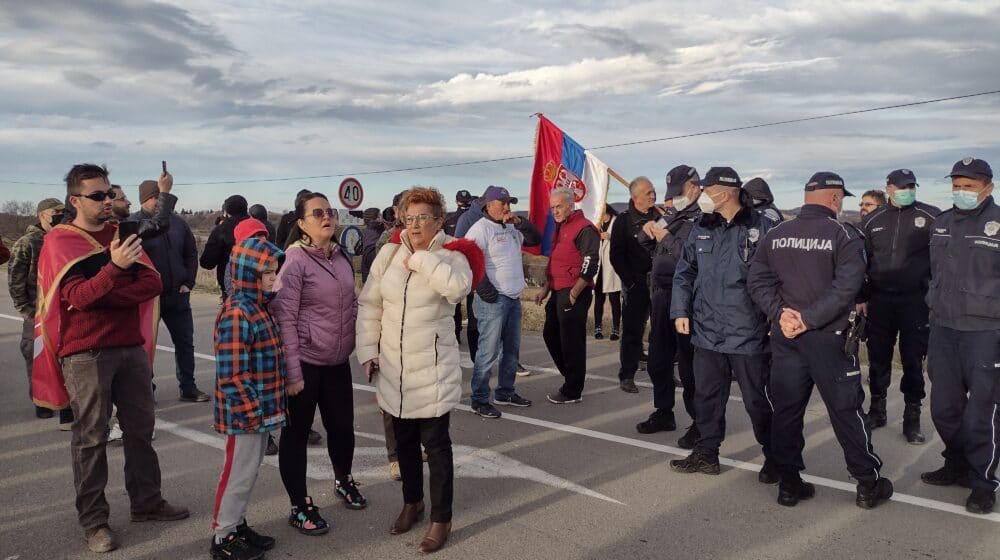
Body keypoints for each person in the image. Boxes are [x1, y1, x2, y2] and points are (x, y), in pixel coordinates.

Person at [34, 164, 188, 554]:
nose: (107, 202)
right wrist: (117, 268)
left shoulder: (121, 233)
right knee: (91, 439)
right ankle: (94, 522)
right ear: (75, 200)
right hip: (85, 354)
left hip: (129, 347)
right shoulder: (61, 242)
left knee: (140, 430)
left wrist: (108, 287)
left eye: (109, 193)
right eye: (97, 196)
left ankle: (147, 502)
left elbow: (153, 282)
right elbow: (78, 298)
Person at [748, 171, 892, 509]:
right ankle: (867, 484)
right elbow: (848, 289)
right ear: (835, 199)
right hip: (829, 338)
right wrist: (808, 320)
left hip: (786, 336)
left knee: (786, 411)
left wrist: (781, 313)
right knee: (846, 411)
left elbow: (757, 281)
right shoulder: (845, 234)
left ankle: (788, 483)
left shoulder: (777, 233)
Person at [357, 186, 484, 554]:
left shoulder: (452, 255)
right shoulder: (387, 255)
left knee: (437, 447)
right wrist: (367, 352)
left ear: (439, 220)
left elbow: (457, 289)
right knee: (404, 445)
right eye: (408, 218)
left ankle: (441, 518)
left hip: (431, 370)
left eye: (422, 218)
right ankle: (412, 502)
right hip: (394, 369)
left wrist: (421, 258)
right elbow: (370, 306)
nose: (413, 225)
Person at [668, 167, 778, 482]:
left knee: (758, 400)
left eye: (706, 189)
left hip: (748, 332)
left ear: (724, 192)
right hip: (706, 331)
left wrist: (774, 318)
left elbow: (778, 278)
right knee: (706, 397)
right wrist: (681, 311)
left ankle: (775, 455)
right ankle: (706, 454)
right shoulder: (701, 227)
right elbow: (684, 273)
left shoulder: (763, 227)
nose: (700, 195)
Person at [272, 192, 367, 535]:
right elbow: (286, 319)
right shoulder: (294, 261)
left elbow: (352, 305)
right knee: (295, 434)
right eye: (317, 213)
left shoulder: (340, 256)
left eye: (330, 211)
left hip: (337, 361)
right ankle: (299, 505)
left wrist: (364, 346)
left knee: (342, 428)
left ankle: (344, 480)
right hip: (306, 365)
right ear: (302, 224)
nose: (327, 216)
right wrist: (293, 371)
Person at [922, 157, 1000, 515]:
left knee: (981, 413)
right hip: (943, 329)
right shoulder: (941, 223)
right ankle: (956, 462)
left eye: (969, 186)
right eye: (957, 185)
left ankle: (983, 481)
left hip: (985, 332)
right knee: (944, 408)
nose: (961, 191)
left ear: (988, 187)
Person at [211, 236, 286, 560]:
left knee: (249, 472)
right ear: (247, 273)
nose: (273, 277)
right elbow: (232, 374)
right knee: (237, 474)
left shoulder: (259, 307)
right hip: (245, 415)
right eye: (266, 272)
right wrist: (251, 411)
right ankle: (223, 536)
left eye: (274, 271)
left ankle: (237, 524)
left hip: (259, 413)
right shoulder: (239, 313)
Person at [858, 169, 940, 444]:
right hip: (880, 300)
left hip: (915, 301)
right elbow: (863, 262)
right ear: (889, 188)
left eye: (911, 186)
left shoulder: (931, 217)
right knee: (878, 357)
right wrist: (862, 297)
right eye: (901, 186)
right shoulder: (872, 220)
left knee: (913, 360)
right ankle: (877, 410)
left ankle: (912, 418)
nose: (907, 190)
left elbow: (942, 259)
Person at [637, 165, 701, 445]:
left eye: (679, 192)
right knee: (658, 360)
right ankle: (664, 411)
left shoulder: (703, 219)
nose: (674, 198)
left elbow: (694, 259)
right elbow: (644, 241)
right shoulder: (674, 214)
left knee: (689, 365)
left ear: (694, 186)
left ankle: (700, 423)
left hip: (686, 297)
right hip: (661, 295)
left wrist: (669, 239)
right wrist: (649, 228)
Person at [464, 186, 541, 418]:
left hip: (513, 297)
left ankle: (505, 391)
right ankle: (479, 399)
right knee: (487, 352)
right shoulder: (479, 229)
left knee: (511, 350)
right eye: (502, 203)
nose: (507, 207)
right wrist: (486, 290)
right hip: (493, 300)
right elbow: (469, 261)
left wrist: (520, 222)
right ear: (488, 205)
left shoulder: (511, 226)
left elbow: (534, 239)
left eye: (509, 203)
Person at [129, 180, 208, 402]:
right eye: (157, 197)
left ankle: (188, 387)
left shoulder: (179, 224)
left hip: (178, 294)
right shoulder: (134, 224)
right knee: (145, 346)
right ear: (145, 199)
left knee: (185, 342)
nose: (162, 202)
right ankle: (147, 390)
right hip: (148, 298)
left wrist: (188, 283)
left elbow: (191, 254)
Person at [535, 187, 600, 404]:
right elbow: (556, 261)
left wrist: (574, 293)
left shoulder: (584, 228)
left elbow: (590, 263)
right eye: (553, 207)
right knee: (550, 334)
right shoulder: (561, 227)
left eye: (559, 206)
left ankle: (573, 389)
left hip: (574, 292)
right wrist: (546, 288)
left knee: (571, 341)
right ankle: (572, 377)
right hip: (558, 290)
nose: (555, 211)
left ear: (571, 205)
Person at [8, 198, 64, 420]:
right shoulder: (27, 242)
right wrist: (27, 311)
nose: (59, 216)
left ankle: (64, 397)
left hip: (62, 310)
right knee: (36, 354)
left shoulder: (62, 238)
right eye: (55, 212)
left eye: (62, 212)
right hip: (37, 311)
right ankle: (41, 400)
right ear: (42, 215)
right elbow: (15, 280)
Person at [610, 176, 661, 393]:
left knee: (661, 332)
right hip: (637, 284)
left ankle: (662, 373)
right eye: (648, 192)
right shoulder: (623, 221)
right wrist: (630, 282)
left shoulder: (660, 217)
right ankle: (627, 375)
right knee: (632, 331)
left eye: (653, 191)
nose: (653, 195)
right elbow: (616, 255)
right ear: (635, 197)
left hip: (660, 284)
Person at [200, 195, 251, 299]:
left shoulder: (221, 229)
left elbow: (207, 262)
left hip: (231, 284)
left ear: (227, 211)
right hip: (260, 283)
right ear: (246, 208)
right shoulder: (259, 227)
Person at [444, 190, 473, 341]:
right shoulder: (449, 219)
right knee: (456, 300)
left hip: (470, 263)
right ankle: (457, 332)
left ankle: (462, 333)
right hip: (456, 262)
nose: (464, 204)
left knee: (464, 301)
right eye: (463, 202)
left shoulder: (473, 218)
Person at [593, 204, 622, 340]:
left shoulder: (617, 221)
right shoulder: (596, 223)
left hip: (612, 265)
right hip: (599, 266)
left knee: (614, 298)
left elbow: (624, 239)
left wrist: (610, 236)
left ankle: (615, 328)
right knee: (599, 298)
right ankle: (597, 327)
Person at [359, 207, 385, 284]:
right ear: (374, 219)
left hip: (367, 274)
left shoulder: (366, 231)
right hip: (374, 275)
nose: (382, 218)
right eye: (379, 216)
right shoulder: (377, 232)